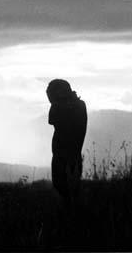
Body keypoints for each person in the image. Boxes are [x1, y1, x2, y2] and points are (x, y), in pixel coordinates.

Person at [46, 79, 87, 207]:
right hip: (71, 154)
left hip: (65, 155)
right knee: (69, 191)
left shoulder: (71, 106)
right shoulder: (78, 105)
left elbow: (52, 118)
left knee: (66, 191)